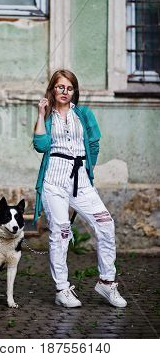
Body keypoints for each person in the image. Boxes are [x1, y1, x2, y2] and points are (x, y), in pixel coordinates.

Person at [33, 69, 127, 308]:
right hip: (54, 181)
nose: (65, 92)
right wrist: (40, 113)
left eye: (69, 88)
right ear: (53, 89)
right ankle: (62, 289)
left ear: (74, 91)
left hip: (81, 182)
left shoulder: (83, 114)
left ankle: (107, 283)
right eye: (60, 87)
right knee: (61, 231)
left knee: (106, 223)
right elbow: (41, 145)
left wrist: (88, 170)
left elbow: (94, 143)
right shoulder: (48, 116)